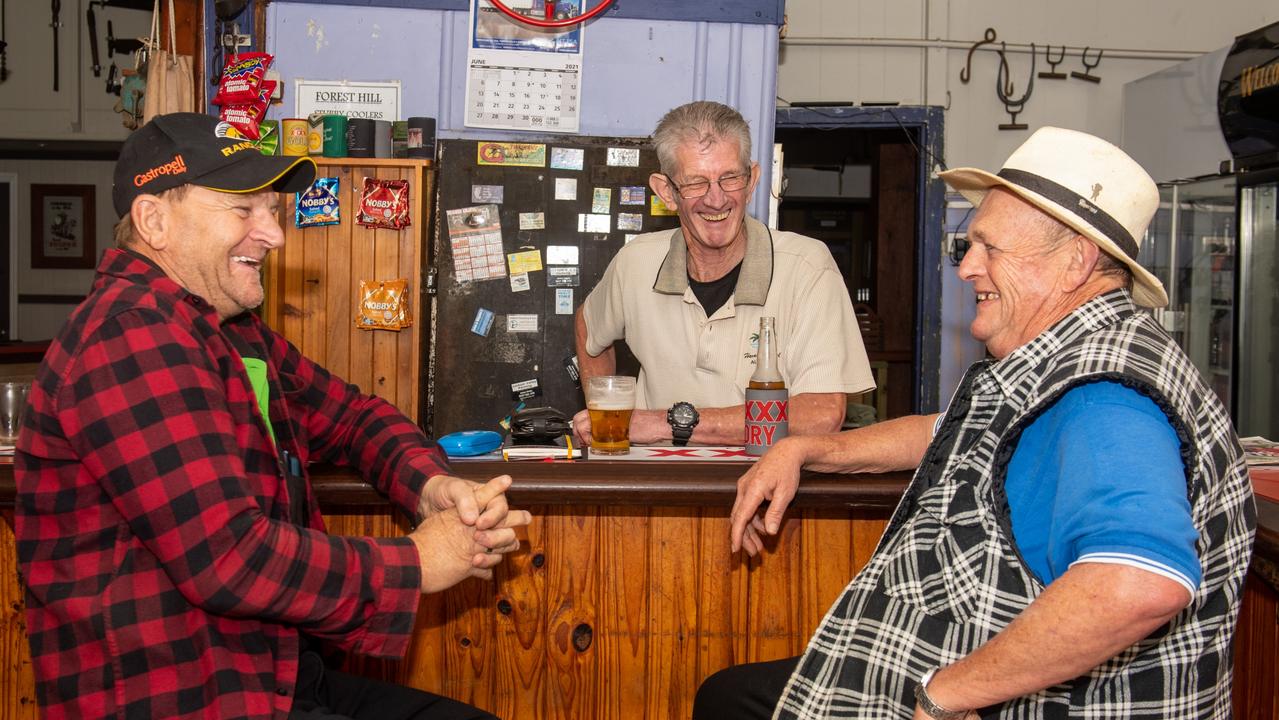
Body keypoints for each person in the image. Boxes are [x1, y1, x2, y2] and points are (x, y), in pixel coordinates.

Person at [702, 127, 1255, 719]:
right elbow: (947, 431)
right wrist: (808, 450)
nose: (967, 268)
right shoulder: (1062, 353)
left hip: (1015, 701)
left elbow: (1139, 583)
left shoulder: (1105, 395)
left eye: (990, 248)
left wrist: (949, 694)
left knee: (731, 702)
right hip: (956, 663)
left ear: (1075, 262)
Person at [15, 113, 531, 720]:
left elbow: (354, 417)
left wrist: (431, 485)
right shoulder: (132, 333)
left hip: (270, 679)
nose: (274, 234)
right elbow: (228, 557)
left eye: (271, 208)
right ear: (155, 221)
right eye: (242, 209)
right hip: (182, 697)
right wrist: (417, 562)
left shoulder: (228, 329)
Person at [573, 101, 874, 447]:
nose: (716, 200)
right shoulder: (635, 262)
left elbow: (821, 414)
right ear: (667, 192)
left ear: (752, 181)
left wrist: (667, 424)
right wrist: (604, 414)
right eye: (696, 183)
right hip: (655, 489)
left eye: (730, 178)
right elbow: (587, 324)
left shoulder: (808, 268)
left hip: (766, 488)